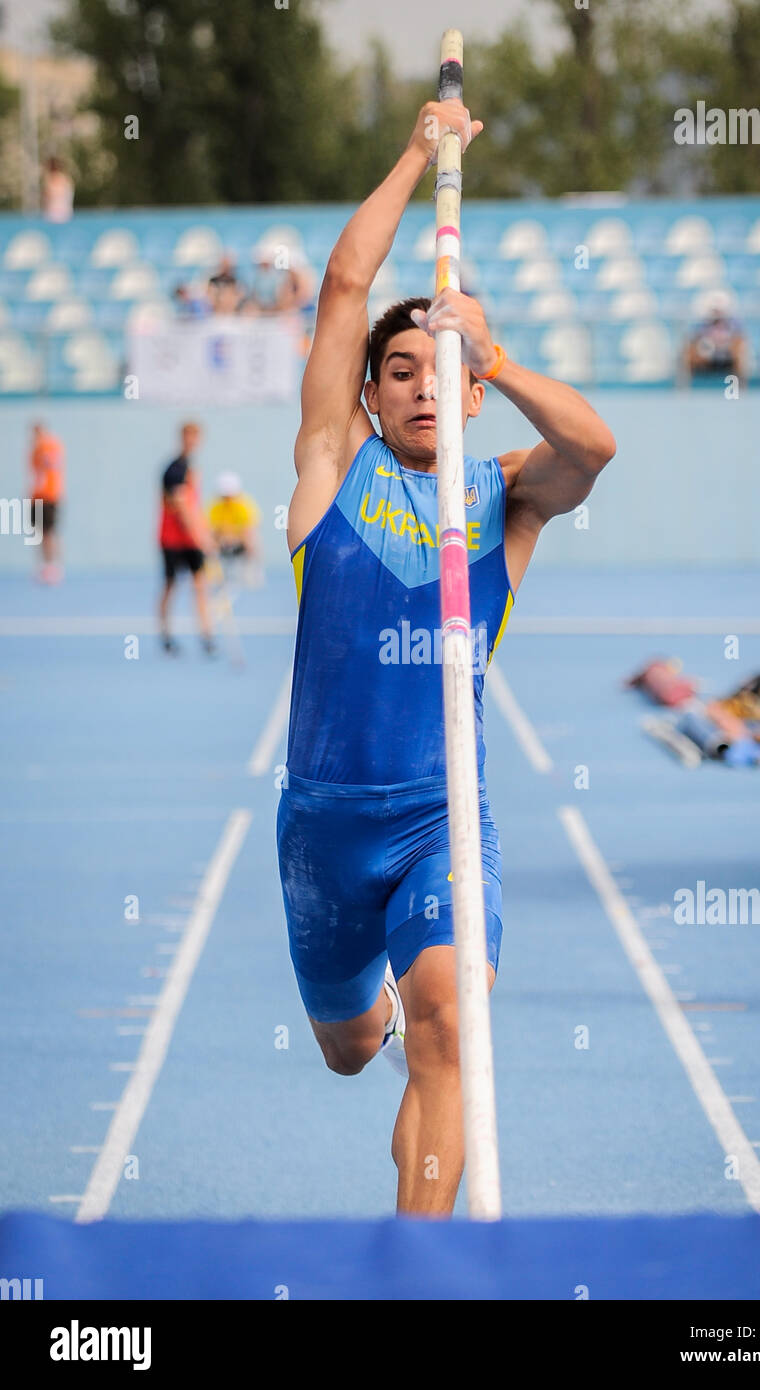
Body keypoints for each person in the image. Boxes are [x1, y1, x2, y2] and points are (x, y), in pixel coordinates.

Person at [277, 98, 616, 1216]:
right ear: (370, 396)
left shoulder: (504, 494)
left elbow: (593, 447)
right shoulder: (332, 470)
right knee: (348, 1049)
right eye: (404, 369)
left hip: (441, 815)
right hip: (323, 825)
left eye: (445, 371)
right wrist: (422, 156)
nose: (426, 386)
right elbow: (342, 287)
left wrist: (500, 355)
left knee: (447, 1030)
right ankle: (364, 1023)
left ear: (471, 394)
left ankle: (413, 1268)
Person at [157, 422, 216, 656]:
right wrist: (202, 537)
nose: (192, 442)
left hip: (191, 541)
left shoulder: (191, 467)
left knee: (200, 584)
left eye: (195, 438)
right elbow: (181, 507)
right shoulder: (174, 470)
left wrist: (203, 532)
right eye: (188, 438)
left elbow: (193, 506)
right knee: (171, 585)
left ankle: (206, 634)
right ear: (181, 439)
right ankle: (166, 634)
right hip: (172, 539)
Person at [207, 472, 263, 585]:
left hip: (240, 539)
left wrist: (234, 538)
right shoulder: (215, 506)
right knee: (208, 543)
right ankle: (214, 574)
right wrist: (221, 539)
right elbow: (211, 530)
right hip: (222, 540)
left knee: (253, 541)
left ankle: (252, 574)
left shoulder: (245, 505)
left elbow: (249, 529)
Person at [683, 290, 747, 386]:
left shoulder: (733, 323)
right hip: (706, 357)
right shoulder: (701, 324)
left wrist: (724, 347)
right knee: (689, 353)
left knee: (739, 352)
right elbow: (694, 341)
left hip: (726, 355)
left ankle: (740, 387)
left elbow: (739, 341)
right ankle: (688, 388)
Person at [28, 422, 65, 583]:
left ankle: (54, 566)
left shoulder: (49, 445)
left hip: (49, 495)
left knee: (49, 531)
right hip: (37, 496)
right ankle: (44, 565)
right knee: (39, 532)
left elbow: (50, 465)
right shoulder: (36, 448)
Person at [41, 157, 74, 224]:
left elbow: (48, 197)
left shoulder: (50, 181)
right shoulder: (67, 179)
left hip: (53, 215)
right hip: (66, 214)